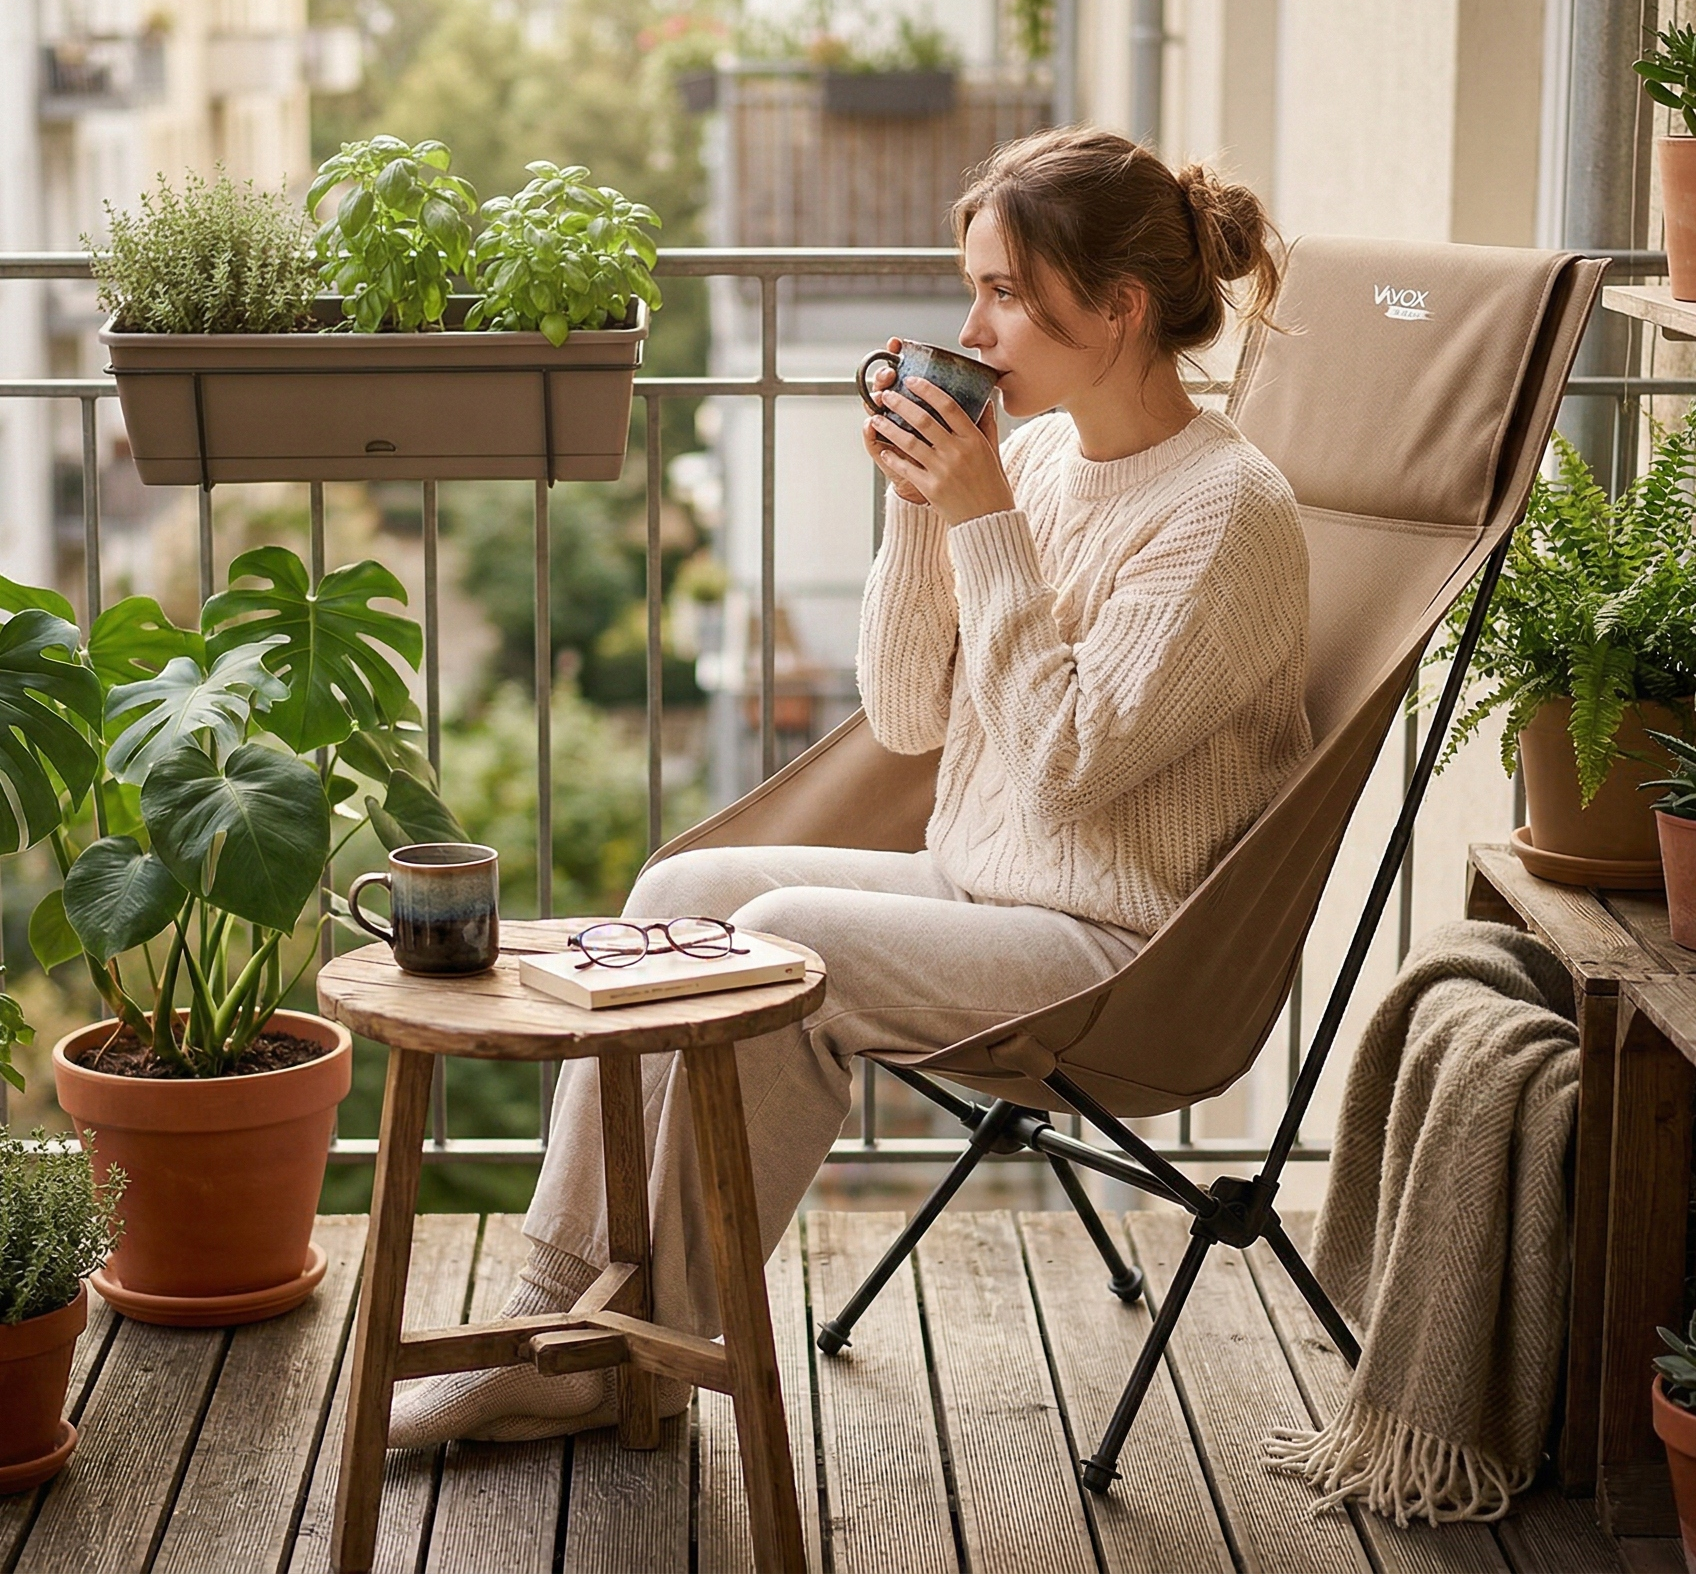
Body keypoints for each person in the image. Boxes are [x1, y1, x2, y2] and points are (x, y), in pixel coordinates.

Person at [388, 126, 1313, 1446]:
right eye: (973, 289)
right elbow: (909, 711)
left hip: (1118, 950)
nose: (971, 329)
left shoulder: (1225, 512)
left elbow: (1065, 772)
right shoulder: (1038, 459)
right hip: (979, 889)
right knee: (681, 894)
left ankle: (647, 1354)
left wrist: (978, 514)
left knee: (784, 945)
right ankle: (556, 1314)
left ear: (1118, 309)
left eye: (1005, 293)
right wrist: (919, 507)